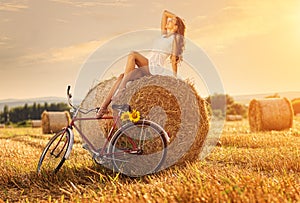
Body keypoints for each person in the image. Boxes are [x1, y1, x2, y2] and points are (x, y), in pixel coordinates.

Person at [96, 10, 186, 118]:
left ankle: (121, 92)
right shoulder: (164, 36)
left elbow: (173, 59)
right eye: (170, 20)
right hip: (148, 63)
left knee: (133, 54)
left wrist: (175, 78)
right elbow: (164, 13)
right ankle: (103, 109)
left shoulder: (175, 39)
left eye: (172, 21)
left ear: (176, 27)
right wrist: (175, 18)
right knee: (121, 77)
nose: (169, 21)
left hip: (155, 67)